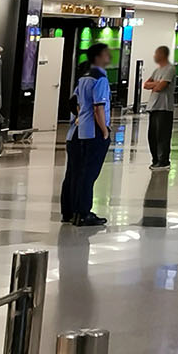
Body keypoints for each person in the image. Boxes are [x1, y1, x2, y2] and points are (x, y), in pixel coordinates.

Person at [61, 43, 113, 226]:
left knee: (75, 173)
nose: (110, 57)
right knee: (88, 173)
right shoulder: (100, 78)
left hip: (78, 130)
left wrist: (79, 116)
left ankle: (70, 211)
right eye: (107, 54)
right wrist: (105, 131)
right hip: (93, 132)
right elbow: (99, 107)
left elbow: (74, 102)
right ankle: (83, 212)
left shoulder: (83, 79)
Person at [142, 45, 175, 169]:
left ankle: (163, 161)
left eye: (156, 54)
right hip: (153, 107)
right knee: (152, 136)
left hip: (164, 108)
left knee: (162, 135)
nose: (155, 56)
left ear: (163, 55)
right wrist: (156, 84)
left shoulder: (170, 69)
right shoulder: (157, 71)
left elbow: (161, 87)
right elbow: (146, 84)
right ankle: (155, 159)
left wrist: (156, 85)